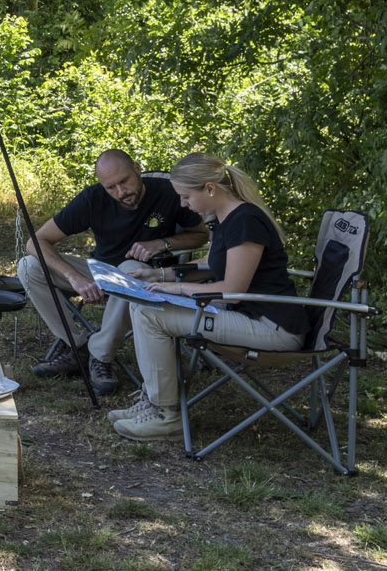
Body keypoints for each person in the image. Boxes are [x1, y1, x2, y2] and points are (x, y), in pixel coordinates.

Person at [109, 153, 308, 440]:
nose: (183, 204)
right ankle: (154, 402)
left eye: (186, 196)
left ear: (210, 189)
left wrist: (174, 289)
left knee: (148, 312)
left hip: (272, 328)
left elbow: (231, 290)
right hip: (249, 316)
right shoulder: (227, 218)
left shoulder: (245, 221)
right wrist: (158, 275)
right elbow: (211, 264)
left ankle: (166, 415)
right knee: (145, 304)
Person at [19, 149, 209, 394]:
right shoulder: (93, 198)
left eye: (124, 182)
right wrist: (74, 278)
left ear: (137, 169)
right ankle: (76, 346)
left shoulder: (168, 193)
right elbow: (36, 242)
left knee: (129, 269)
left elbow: (200, 235)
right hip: (100, 271)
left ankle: (100, 355)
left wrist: (163, 244)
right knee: (29, 266)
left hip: (144, 277)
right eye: (111, 188)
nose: (121, 193)